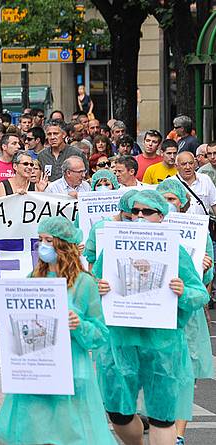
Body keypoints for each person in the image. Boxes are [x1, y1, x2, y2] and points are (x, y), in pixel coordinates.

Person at [93, 190, 209, 445]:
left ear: (161, 216)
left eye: (147, 212)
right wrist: (99, 288)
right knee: (118, 414)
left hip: (162, 344)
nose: (140, 216)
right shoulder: (113, 247)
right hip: (120, 342)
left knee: (162, 417)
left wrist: (183, 291)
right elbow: (94, 283)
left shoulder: (174, 251)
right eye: (135, 212)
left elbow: (200, 295)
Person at [0, 216, 115, 445]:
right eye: (40, 240)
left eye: (49, 240)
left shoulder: (84, 283)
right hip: (36, 373)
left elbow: (101, 334)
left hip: (70, 374)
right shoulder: (34, 277)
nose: (43, 245)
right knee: (36, 437)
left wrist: (79, 325)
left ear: (63, 244)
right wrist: (9, 327)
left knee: (69, 438)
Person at [155, 180, 214, 444]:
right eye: (162, 199)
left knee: (185, 375)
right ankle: (160, 422)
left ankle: (178, 434)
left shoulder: (199, 233)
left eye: (172, 199)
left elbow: (203, 282)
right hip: (155, 312)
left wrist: (206, 265)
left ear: (182, 202)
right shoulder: (145, 232)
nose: (168, 203)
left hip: (186, 314)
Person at [174, 151, 216, 216]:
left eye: (191, 163)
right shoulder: (169, 183)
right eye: (184, 164)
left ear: (195, 164)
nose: (188, 167)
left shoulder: (205, 179)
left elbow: (214, 204)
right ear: (176, 166)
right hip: (179, 224)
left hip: (202, 224)